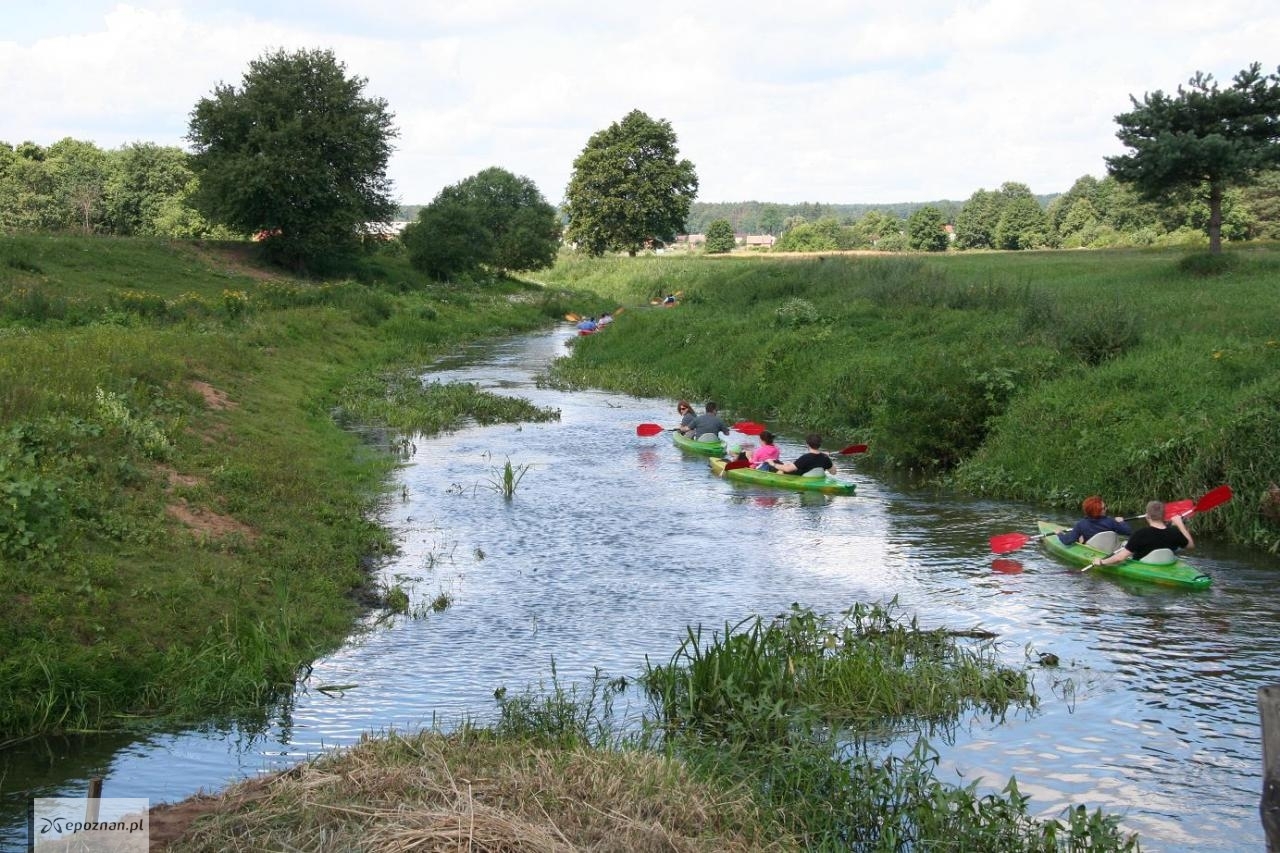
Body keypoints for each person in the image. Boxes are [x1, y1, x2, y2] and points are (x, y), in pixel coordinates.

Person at [1090, 500, 1194, 569]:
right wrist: (1181, 525)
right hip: (1165, 565)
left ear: (1148, 516)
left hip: (1144, 566)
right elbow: (1191, 545)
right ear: (1164, 515)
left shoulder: (1140, 534)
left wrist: (1102, 562)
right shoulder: (1174, 532)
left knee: (1125, 546)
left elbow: (1120, 558)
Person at [1057, 495, 1132, 545]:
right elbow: (1128, 532)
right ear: (1097, 511)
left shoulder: (1081, 524)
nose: (1106, 509)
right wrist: (1121, 522)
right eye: (1104, 508)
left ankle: (1081, 539)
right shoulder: (1110, 521)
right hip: (1108, 550)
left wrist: (1059, 534)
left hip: (1093, 549)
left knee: (1080, 538)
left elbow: (1067, 541)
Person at [767, 433, 834, 477]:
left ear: (807, 445)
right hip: (817, 478)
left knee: (773, 467)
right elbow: (833, 472)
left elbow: (788, 469)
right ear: (820, 445)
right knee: (788, 465)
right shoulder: (825, 457)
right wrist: (827, 457)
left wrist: (773, 464)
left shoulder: (805, 458)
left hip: (806, 480)